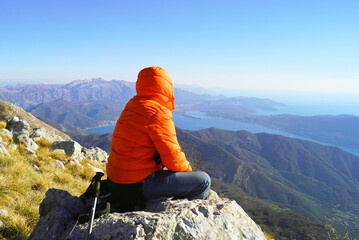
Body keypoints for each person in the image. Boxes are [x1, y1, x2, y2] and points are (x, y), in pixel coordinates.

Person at [106, 66, 211, 212]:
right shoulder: (158, 112)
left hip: (114, 182)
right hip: (135, 187)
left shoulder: (132, 105)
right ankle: (183, 216)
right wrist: (189, 172)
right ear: (166, 88)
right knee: (203, 181)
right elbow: (173, 158)